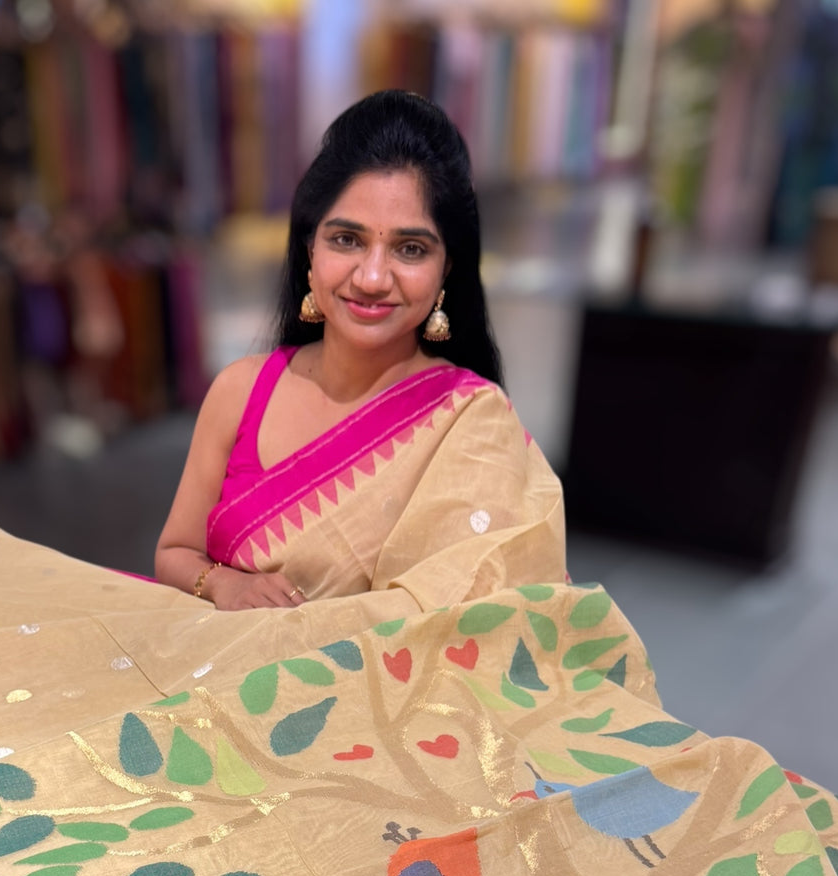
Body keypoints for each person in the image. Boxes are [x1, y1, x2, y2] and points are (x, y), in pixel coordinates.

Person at [155, 90, 564, 611]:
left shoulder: (471, 424)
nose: (371, 278)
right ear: (310, 248)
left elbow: (484, 625)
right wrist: (222, 584)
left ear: (448, 268)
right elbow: (174, 551)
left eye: (410, 249)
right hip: (218, 680)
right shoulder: (241, 390)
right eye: (346, 240)